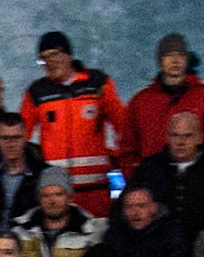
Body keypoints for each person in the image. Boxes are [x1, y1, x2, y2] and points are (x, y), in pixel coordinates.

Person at [21, 31, 128, 217]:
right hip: (56, 192)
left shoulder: (98, 84)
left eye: (53, 54)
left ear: (68, 54)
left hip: (96, 189)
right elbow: (21, 136)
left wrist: (118, 161)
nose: (49, 62)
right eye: (43, 59)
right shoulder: (37, 92)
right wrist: (36, 171)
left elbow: (124, 127)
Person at [119, 33, 204, 178]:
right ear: (160, 61)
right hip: (153, 187)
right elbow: (127, 150)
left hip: (197, 186)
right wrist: (139, 181)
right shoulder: (141, 101)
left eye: (180, 55)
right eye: (169, 55)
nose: (175, 60)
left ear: (186, 60)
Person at [128, 113, 204, 246]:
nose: (180, 142)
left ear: (199, 138)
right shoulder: (149, 168)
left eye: (187, 136)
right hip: (157, 248)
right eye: (175, 135)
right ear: (167, 138)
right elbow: (124, 209)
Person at [13, 169, 103, 257]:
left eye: (58, 194)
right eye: (46, 195)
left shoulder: (91, 231)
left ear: (69, 197)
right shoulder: (19, 230)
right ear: (39, 200)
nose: (52, 201)